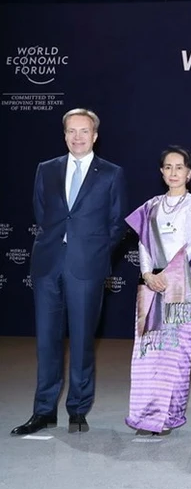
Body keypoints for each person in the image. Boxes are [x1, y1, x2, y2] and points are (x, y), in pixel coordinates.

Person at [12, 108, 127, 436]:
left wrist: (95, 252)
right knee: (46, 341)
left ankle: (78, 408)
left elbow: (117, 223)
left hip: (86, 267)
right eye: (72, 131)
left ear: (95, 135)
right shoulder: (46, 169)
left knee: (81, 340)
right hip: (48, 264)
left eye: (84, 131)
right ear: (64, 135)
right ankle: (43, 410)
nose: (78, 137)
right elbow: (42, 212)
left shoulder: (111, 173)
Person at [124, 146, 191, 436]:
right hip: (151, 284)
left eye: (179, 167)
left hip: (181, 281)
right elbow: (143, 245)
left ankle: (168, 416)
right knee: (148, 351)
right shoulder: (151, 206)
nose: (174, 172)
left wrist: (169, 273)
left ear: (190, 172)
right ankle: (145, 415)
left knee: (175, 349)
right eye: (168, 167)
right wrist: (147, 274)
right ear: (162, 172)